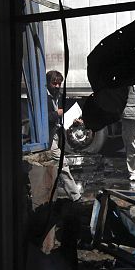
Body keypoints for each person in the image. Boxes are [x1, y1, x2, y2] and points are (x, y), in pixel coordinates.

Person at [46, 70, 83, 201]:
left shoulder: (59, 96)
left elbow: (63, 117)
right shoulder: (43, 97)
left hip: (57, 135)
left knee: (52, 167)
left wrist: (72, 120)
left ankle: (50, 198)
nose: (56, 86)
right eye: (54, 83)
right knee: (63, 164)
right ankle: (76, 196)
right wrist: (58, 114)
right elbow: (44, 118)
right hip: (48, 136)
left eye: (59, 84)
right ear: (48, 83)